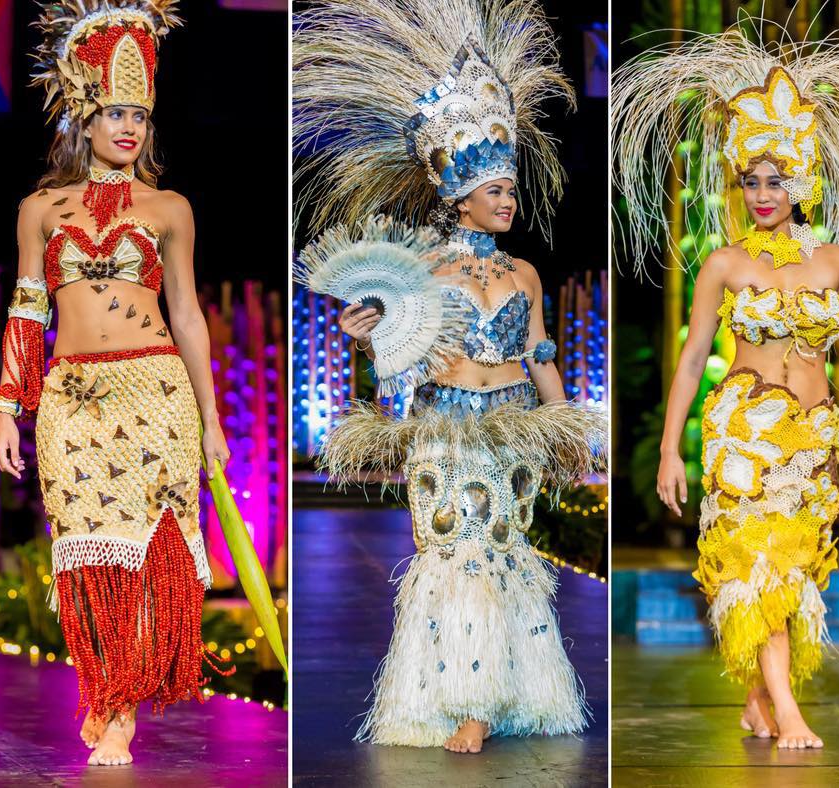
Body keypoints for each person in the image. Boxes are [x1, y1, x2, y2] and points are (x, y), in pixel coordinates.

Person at [293, 0, 606, 754]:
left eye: (510, 188)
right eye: (497, 190)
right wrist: (364, 335)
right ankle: (451, 697)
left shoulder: (527, 272)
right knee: (448, 554)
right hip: (442, 426)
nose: (509, 200)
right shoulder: (423, 271)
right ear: (460, 194)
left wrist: (568, 434)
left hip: (511, 426)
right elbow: (397, 353)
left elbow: (540, 356)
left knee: (499, 553)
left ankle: (490, 697)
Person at [611, 20, 839, 750]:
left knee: (791, 572)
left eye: (774, 181)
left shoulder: (836, 262)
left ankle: (758, 697)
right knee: (754, 570)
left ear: (803, 180)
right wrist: (667, 451)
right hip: (741, 436)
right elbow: (691, 361)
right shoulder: (723, 263)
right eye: (749, 182)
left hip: (814, 439)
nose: (759, 194)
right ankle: (787, 712)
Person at [0, 0, 231, 766]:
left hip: (156, 391)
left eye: (141, 115)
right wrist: (5, 409)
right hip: (72, 399)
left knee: (154, 552)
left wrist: (212, 416)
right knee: (88, 554)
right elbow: (28, 311)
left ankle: (120, 705)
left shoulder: (169, 208)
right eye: (115, 112)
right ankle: (105, 687)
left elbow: (189, 316)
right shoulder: (40, 209)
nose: (130, 127)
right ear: (84, 118)